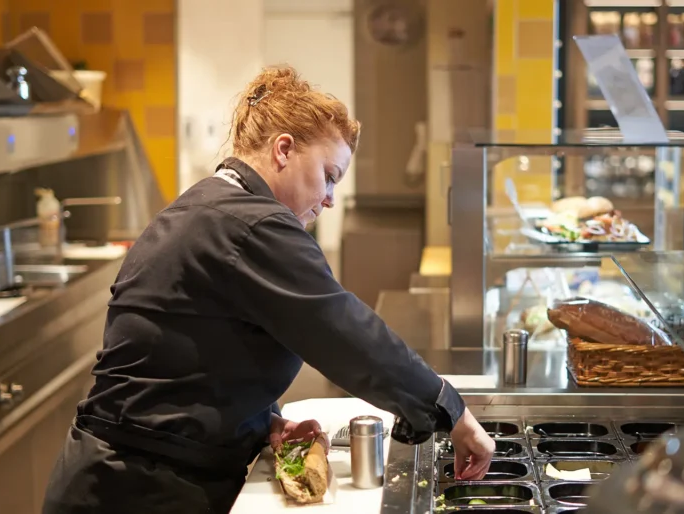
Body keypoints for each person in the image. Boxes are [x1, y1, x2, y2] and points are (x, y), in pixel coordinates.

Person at [42, 66, 495, 514]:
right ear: (283, 150)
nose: (329, 198)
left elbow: (193, 356)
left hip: (121, 476)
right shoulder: (251, 224)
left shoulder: (210, 205)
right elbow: (343, 330)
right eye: (329, 175)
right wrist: (449, 410)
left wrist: (262, 422)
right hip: (137, 489)